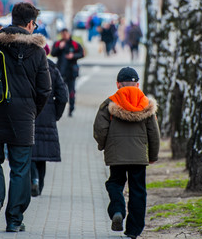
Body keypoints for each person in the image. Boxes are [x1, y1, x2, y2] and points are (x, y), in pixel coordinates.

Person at [0, 2, 51, 232]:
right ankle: (15, 220)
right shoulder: (37, 52)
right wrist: (31, 113)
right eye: (34, 24)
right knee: (21, 167)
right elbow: (44, 90)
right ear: (29, 24)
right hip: (23, 118)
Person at [93, 67, 160, 239]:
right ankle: (133, 230)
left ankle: (117, 210)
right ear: (137, 84)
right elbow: (154, 133)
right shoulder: (146, 104)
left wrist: (103, 146)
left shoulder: (109, 104)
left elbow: (100, 129)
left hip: (117, 155)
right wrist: (152, 156)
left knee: (115, 183)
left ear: (118, 84)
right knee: (138, 190)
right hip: (139, 157)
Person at [30, 44, 68, 197]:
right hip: (47, 114)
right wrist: (56, 114)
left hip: (29, 114)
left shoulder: (27, 67)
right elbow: (63, 95)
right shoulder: (52, 69)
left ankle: (33, 179)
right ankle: (39, 184)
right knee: (42, 155)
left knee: (29, 151)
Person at [51, 28, 84, 117]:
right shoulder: (58, 43)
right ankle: (57, 109)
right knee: (58, 91)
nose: (64, 35)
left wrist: (73, 56)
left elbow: (82, 54)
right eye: (63, 34)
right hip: (60, 72)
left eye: (66, 33)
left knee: (71, 91)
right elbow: (53, 53)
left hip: (71, 72)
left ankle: (71, 109)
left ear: (69, 34)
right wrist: (59, 48)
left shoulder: (75, 44)